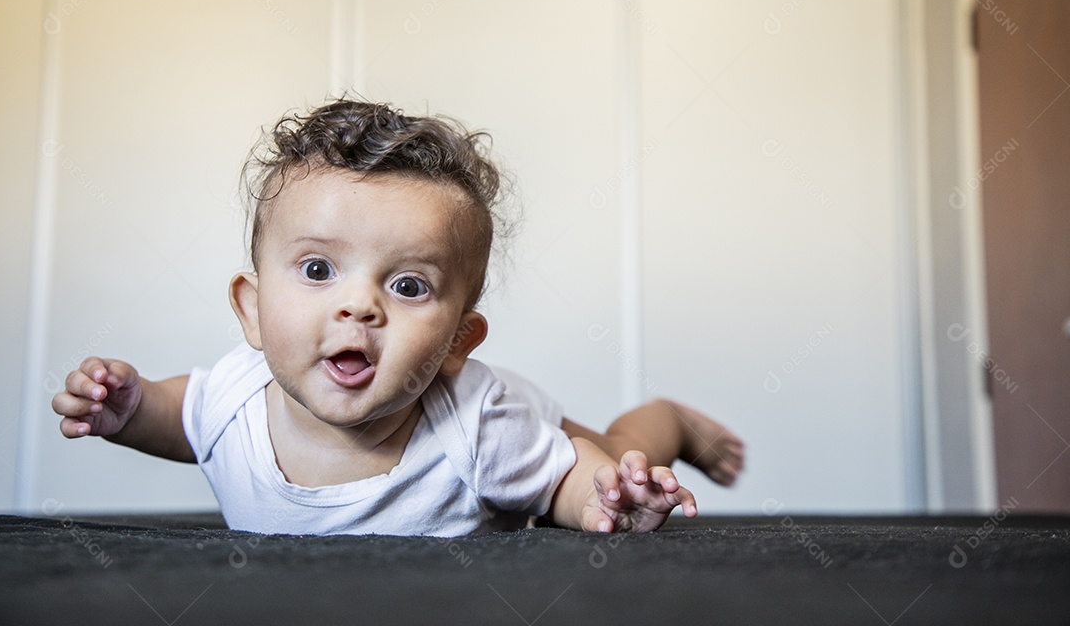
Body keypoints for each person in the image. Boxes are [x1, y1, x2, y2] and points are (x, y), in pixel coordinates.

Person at [51, 99, 744, 537]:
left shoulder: (481, 426)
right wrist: (128, 407)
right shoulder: (233, 397)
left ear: (455, 342)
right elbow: (180, 415)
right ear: (253, 311)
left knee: (623, 450)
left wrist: (601, 498)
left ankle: (671, 420)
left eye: (409, 284)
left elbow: (562, 477)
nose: (358, 306)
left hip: (531, 423)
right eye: (319, 270)